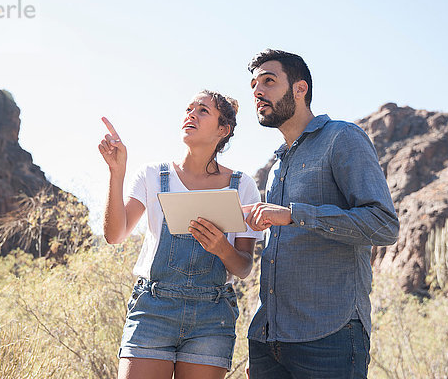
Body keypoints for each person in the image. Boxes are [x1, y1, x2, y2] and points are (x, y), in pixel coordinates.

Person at [241, 49, 399, 379]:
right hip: (268, 339)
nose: (258, 91)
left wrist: (295, 215)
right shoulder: (276, 166)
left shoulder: (342, 138)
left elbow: (384, 225)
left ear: (300, 89)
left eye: (269, 81)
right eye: (254, 84)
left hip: (329, 337)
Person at [99, 90, 263, 379]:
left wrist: (221, 248)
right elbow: (115, 235)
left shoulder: (242, 186)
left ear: (223, 130)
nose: (191, 114)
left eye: (203, 110)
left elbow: (244, 267)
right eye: (189, 108)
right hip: (152, 309)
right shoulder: (152, 175)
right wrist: (117, 171)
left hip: (212, 317)